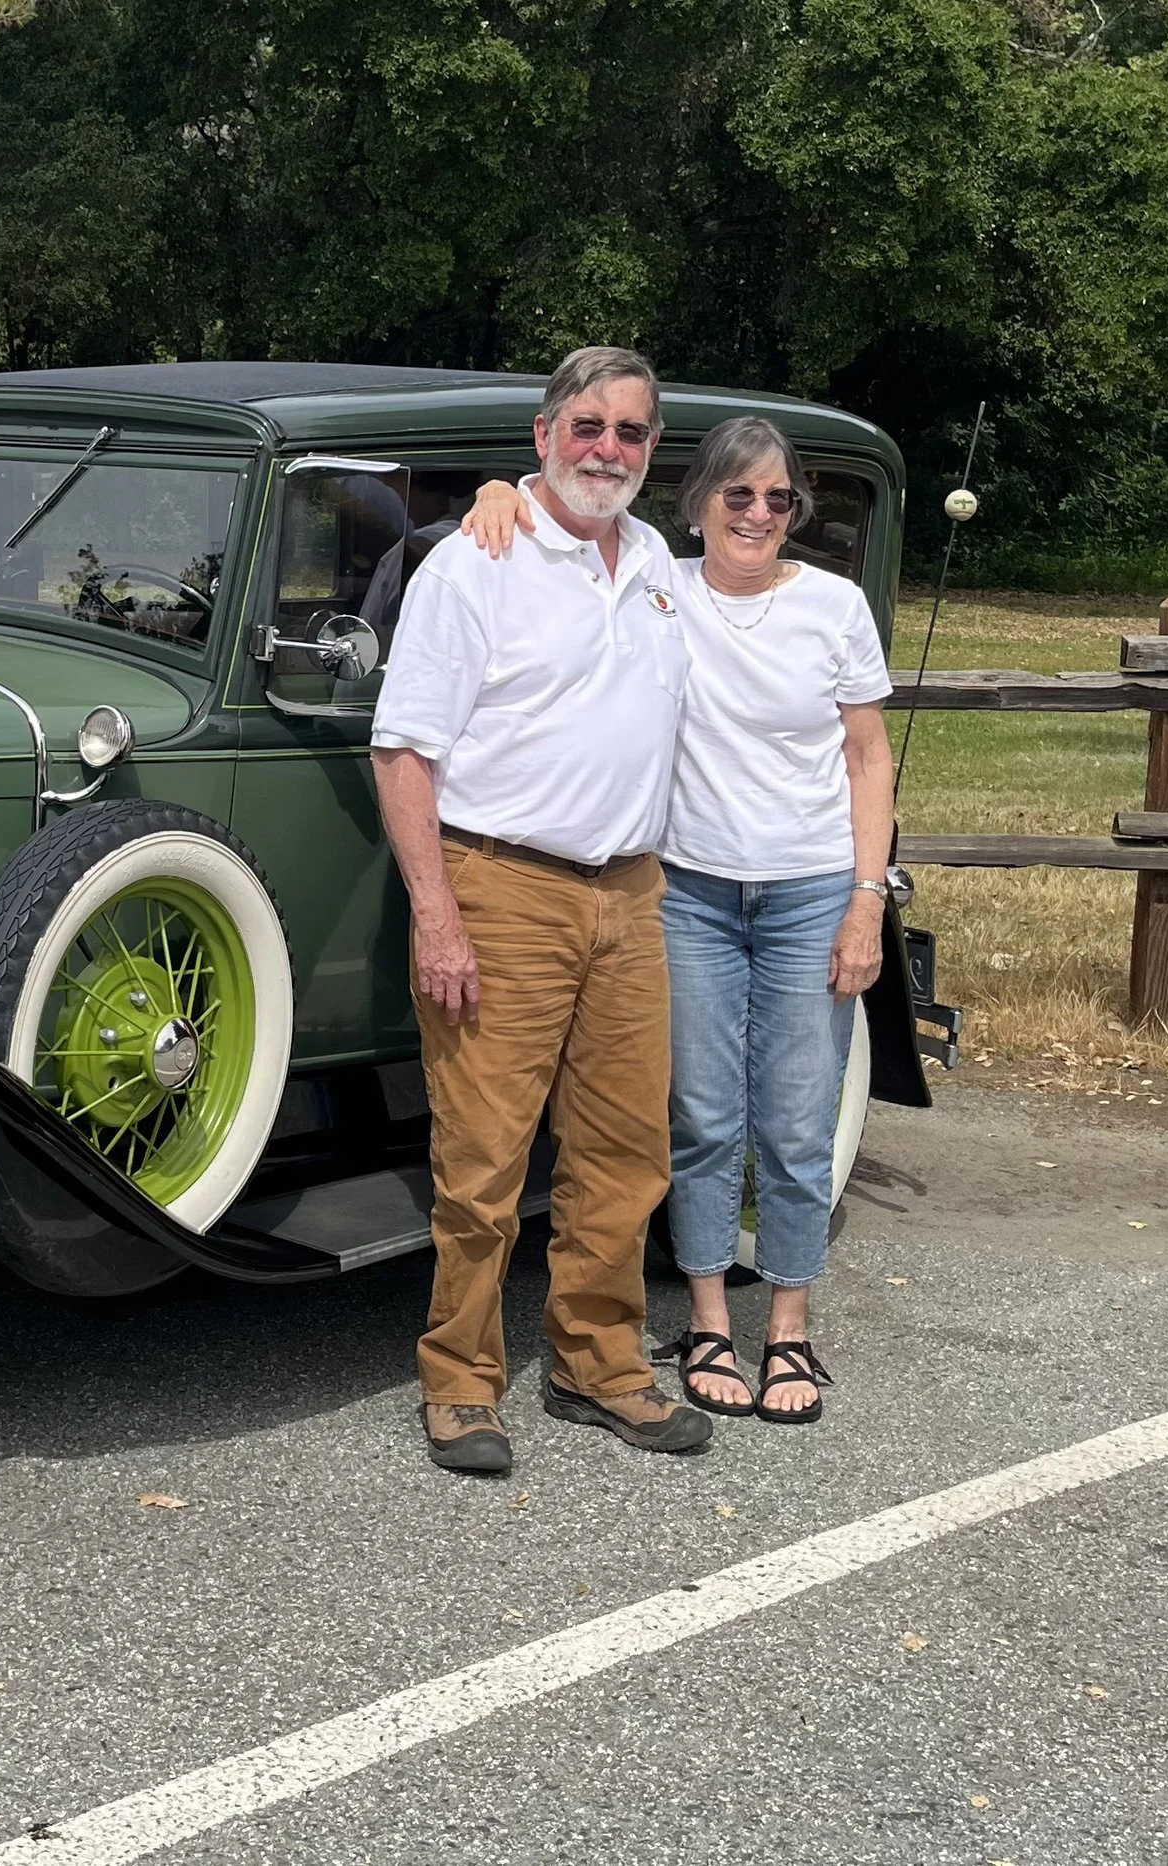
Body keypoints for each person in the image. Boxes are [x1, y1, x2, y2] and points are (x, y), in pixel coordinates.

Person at [461, 415, 894, 1424]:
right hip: (688, 887)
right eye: (735, 495)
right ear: (696, 501)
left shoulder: (832, 606)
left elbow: (867, 759)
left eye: (777, 498)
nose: (755, 514)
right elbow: (568, 515)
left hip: (808, 885)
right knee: (697, 1119)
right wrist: (497, 495)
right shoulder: (661, 582)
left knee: (794, 1120)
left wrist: (865, 899)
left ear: (796, 512)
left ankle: (786, 1329)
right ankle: (705, 1318)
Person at [370, 346, 713, 1476]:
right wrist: (437, 913)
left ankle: (599, 1365)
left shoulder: (660, 558)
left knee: (624, 1151)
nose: (607, 449)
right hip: (502, 882)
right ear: (543, 435)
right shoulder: (477, 563)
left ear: (651, 452)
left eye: (630, 432)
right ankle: (460, 1383)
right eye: (588, 427)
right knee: (483, 1157)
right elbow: (405, 752)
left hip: (630, 886)